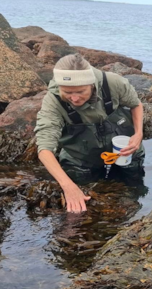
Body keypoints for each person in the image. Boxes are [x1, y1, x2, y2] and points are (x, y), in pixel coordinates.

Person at [35, 54, 145, 213]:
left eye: (80, 91)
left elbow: (136, 104)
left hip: (124, 151)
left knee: (133, 190)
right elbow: (44, 149)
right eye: (66, 92)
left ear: (92, 84)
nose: (74, 98)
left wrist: (138, 134)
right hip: (81, 157)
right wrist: (68, 186)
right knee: (83, 209)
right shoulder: (52, 101)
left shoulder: (113, 82)